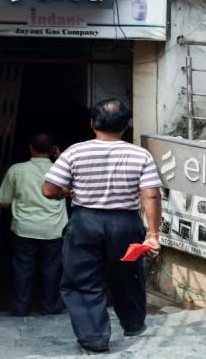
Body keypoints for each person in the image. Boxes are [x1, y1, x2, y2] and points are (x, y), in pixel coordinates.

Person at [42, 99, 162, 354]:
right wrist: (153, 234)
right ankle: (133, 324)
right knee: (128, 275)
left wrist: (65, 192)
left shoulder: (74, 152)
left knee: (82, 279)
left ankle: (94, 338)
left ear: (92, 123)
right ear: (126, 125)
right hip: (126, 223)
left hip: (85, 222)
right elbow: (151, 194)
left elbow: (49, 189)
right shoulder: (140, 155)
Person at [0, 133, 67, 317]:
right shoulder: (61, 170)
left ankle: (21, 307)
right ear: (52, 149)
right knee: (51, 269)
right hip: (53, 229)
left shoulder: (17, 170)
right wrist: (61, 157)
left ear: (30, 147)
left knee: (23, 269)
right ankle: (50, 306)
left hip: (25, 228)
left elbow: (3, 199)